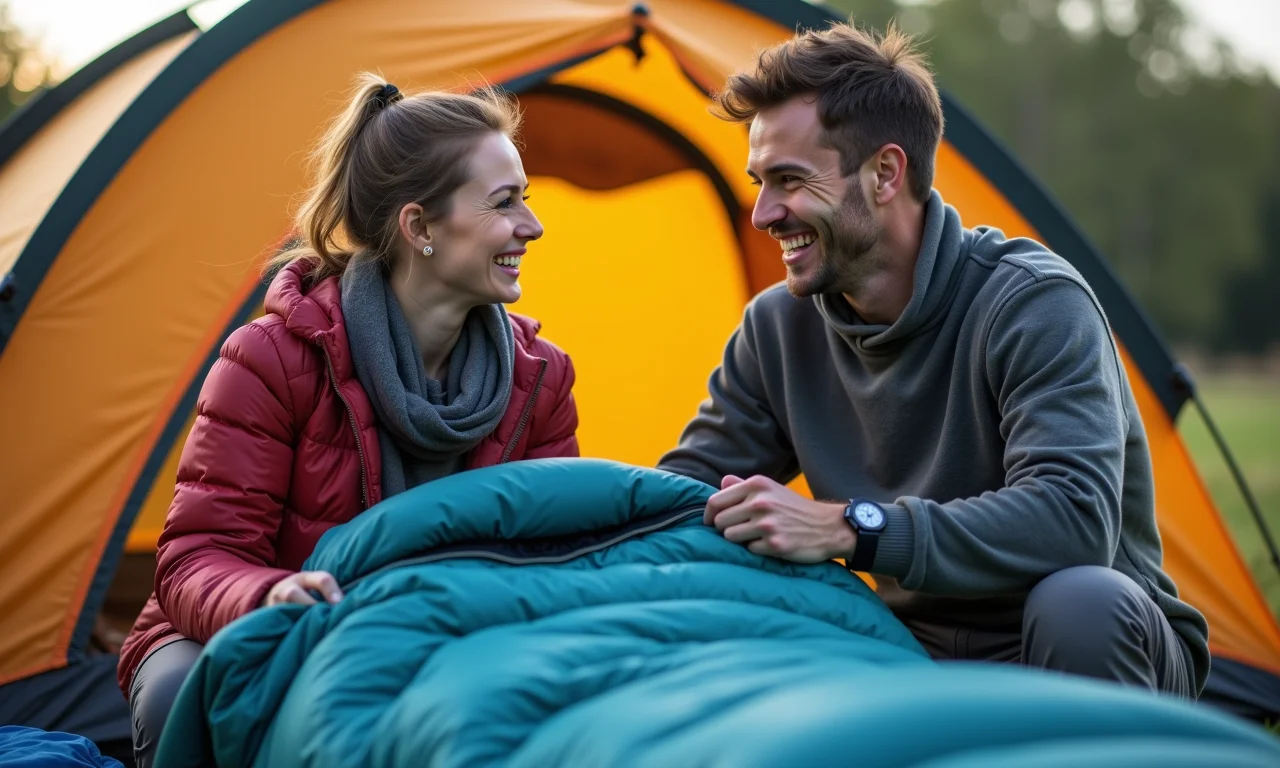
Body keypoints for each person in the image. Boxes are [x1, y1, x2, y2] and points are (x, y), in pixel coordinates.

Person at [656, 21, 1208, 699]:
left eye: (789, 180)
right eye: (759, 183)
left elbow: (1073, 521)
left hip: (1081, 646)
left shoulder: (1032, 303)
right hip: (906, 653)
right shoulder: (778, 328)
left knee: (1080, 602)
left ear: (885, 173)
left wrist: (850, 526)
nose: (763, 213)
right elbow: (686, 492)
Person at [116, 73, 580, 767]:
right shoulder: (272, 359)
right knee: (178, 691)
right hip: (260, 624)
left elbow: (557, 550)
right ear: (419, 227)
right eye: (503, 202)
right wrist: (272, 596)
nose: (531, 226)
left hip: (438, 629)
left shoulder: (541, 377)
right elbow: (194, 560)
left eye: (526, 199)